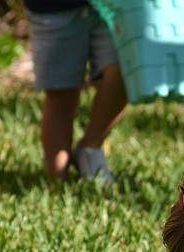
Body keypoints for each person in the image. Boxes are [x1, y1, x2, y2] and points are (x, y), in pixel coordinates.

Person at [25, 0, 128, 183]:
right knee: (61, 93)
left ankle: (90, 147)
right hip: (55, 9)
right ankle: (57, 179)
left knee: (127, 72)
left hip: (116, 7)